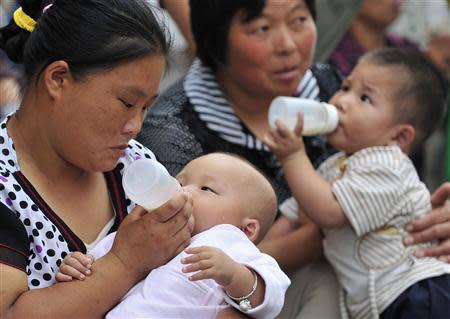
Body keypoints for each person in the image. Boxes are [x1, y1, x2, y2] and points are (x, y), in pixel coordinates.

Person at [136, 0, 450, 317]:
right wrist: (316, 234)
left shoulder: (333, 91)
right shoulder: (173, 132)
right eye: (262, 28)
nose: (288, 45)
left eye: (299, 20)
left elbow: (391, 188)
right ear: (215, 38)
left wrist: (433, 218)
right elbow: (181, 255)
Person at [0, 1, 198, 317]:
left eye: (145, 107)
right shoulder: (5, 186)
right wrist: (125, 263)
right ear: (59, 79)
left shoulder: (133, 164)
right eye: (126, 102)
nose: (135, 127)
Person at [265, 48, 450, 319]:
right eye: (345, 87)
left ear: (399, 137)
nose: (342, 101)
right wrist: (250, 255)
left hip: (417, 293)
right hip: (382, 302)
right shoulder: (335, 165)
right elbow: (292, 217)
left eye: (364, 98)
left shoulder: (388, 167)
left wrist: (293, 156)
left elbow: (328, 213)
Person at [56, 152, 291, 319]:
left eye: (206, 189)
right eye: (179, 181)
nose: (183, 191)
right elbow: (105, 260)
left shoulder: (233, 245)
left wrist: (233, 274)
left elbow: (272, 296)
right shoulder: (150, 229)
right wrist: (78, 265)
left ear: (247, 229)